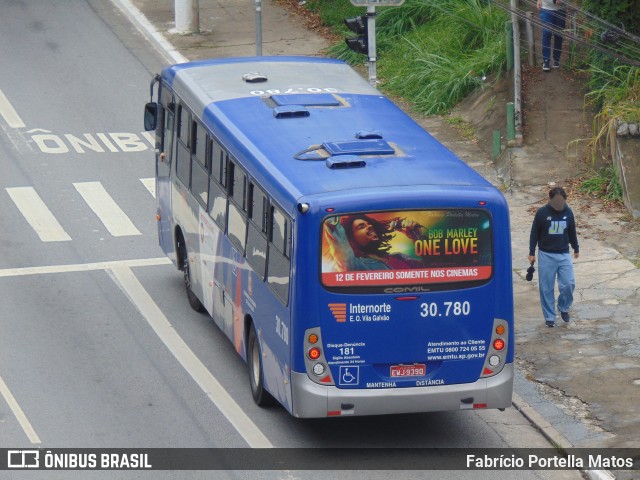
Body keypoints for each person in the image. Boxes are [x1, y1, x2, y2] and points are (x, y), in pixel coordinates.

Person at [528, 187, 580, 327]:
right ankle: (550, 316)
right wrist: (532, 252)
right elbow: (534, 233)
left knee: (569, 284)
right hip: (546, 255)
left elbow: (572, 231)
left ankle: (563, 307)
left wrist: (576, 247)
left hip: (563, 254)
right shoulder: (542, 213)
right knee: (546, 288)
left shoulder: (568, 212)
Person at [323, 214, 423, 272]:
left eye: (369, 224)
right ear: (351, 241)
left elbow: (432, 268)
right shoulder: (355, 265)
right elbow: (333, 226)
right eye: (361, 227)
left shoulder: (399, 257)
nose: (370, 226)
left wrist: (416, 236)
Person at [537, 0, 567, 71]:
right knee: (547, 33)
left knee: (558, 35)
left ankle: (556, 59)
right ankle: (546, 60)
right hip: (546, 8)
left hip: (560, 9)